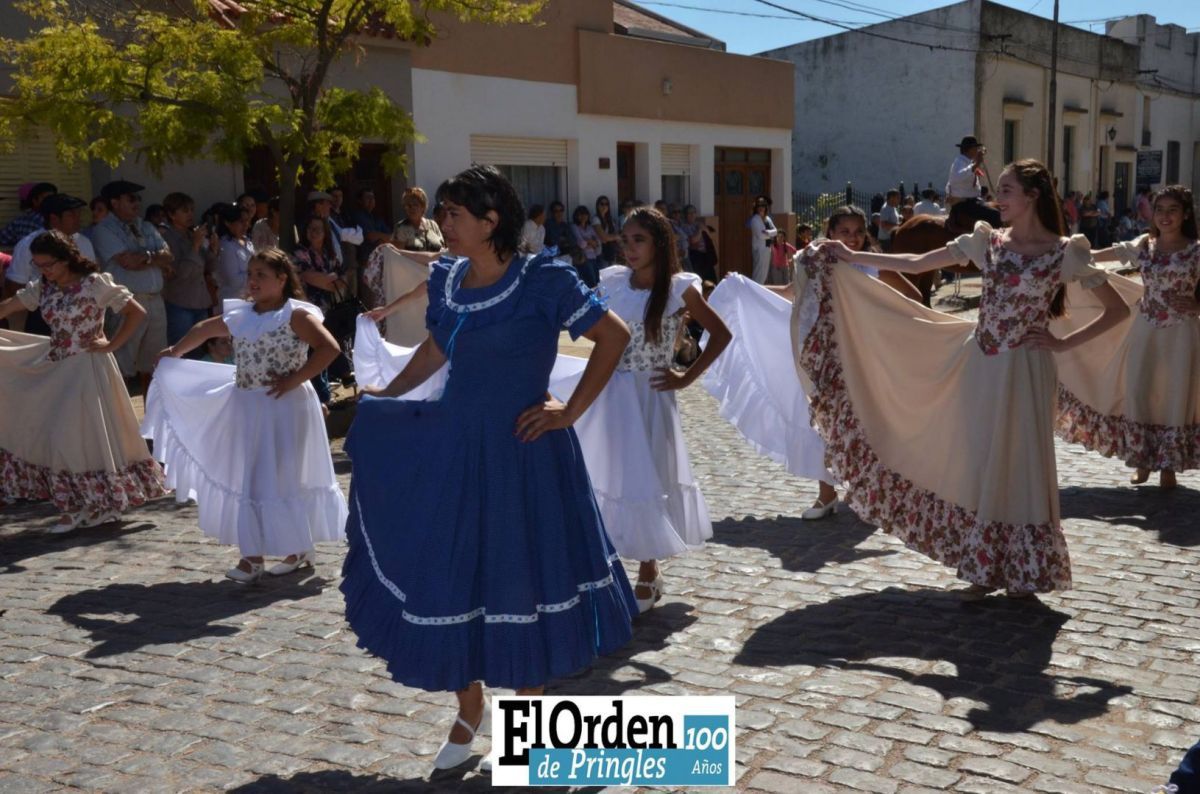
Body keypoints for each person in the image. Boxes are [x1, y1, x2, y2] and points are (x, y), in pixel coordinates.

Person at [339, 165, 636, 771]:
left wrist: (569, 411)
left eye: (453, 214)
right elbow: (437, 350)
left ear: (490, 220)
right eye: (443, 213)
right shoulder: (447, 278)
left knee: (526, 578)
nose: (442, 225)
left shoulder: (543, 278)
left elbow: (614, 336)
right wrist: (389, 396)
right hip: (457, 448)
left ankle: (531, 731)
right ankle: (469, 703)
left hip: (527, 454)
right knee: (454, 573)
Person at [806, 159, 1129, 597]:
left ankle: (1024, 570)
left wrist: (1061, 344)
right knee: (980, 461)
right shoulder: (986, 241)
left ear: (1033, 195)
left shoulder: (1065, 251)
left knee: (1021, 463)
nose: (999, 199)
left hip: (1027, 370)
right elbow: (919, 262)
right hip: (981, 363)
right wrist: (850, 255)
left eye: (1007, 190)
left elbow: (1118, 310)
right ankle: (983, 566)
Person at [551, 207, 731, 613]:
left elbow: (720, 334)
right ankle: (605, 562)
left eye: (639, 240)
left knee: (646, 472)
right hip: (609, 390)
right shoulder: (613, 282)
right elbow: (588, 327)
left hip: (649, 393)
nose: (629, 249)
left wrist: (686, 377)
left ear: (660, 243)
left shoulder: (678, 288)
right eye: (626, 239)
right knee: (606, 470)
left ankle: (648, 568)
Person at [143, 248, 347, 582]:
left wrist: (296, 378)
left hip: (286, 406)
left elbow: (330, 349)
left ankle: (283, 551)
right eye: (250, 274)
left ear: (282, 279)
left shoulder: (296, 314)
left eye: (261, 275)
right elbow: (206, 328)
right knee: (251, 476)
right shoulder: (242, 314)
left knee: (282, 475)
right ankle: (259, 554)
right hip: (249, 405)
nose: (252, 281)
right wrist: (175, 351)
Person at [703, 205, 887, 523]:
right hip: (818, 356)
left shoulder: (867, 265)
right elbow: (792, 294)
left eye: (858, 232)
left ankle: (863, 490)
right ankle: (826, 493)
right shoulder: (809, 261)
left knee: (859, 423)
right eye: (845, 232)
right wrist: (745, 288)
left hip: (856, 355)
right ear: (830, 232)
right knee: (822, 423)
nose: (853, 238)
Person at [0, 231, 165, 531]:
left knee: (74, 435)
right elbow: (12, 304)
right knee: (70, 436)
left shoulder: (94, 283)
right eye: (39, 266)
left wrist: (111, 345)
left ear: (65, 259)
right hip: (57, 366)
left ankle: (82, 506)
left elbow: (136, 313)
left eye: (48, 264)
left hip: (87, 368)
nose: (44, 270)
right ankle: (89, 504)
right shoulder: (45, 287)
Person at [1055, 185, 1200, 489]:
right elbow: (1104, 255)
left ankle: (1168, 468)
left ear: (1186, 214)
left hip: (1183, 334)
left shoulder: (1195, 250)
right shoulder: (1145, 246)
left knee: (1175, 394)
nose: (1165, 216)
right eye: (1159, 210)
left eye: (1173, 210)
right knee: (1139, 389)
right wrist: (1072, 253)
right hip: (1145, 330)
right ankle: (1143, 461)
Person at [91, 179, 174, 395]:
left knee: (155, 364)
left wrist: (145, 258)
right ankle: (120, 421)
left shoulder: (145, 226)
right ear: (115, 202)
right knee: (122, 364)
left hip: (155, 300)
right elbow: (127, 262)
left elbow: (168, 256)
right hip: (128, 303)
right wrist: (153, 258)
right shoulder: (103, 230)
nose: (137, 203)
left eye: (138, 198)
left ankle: (151, 419)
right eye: (131, 198)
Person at [5, 194, 97, 334]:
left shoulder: (83, 242)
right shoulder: (29, 244)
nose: (78, 219)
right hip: (42, 314)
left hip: (80, 315)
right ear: (54, 218)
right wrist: (40, 300)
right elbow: (15, 284)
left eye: (79, 214)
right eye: (71, 215)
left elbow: (91, 276)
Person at [293, 216, 347, 407]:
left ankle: (324, 395)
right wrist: (329, 279)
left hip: (328, 310)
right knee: (311, 352)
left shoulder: (329, 254)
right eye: (310, 228)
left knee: (325, 349)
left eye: (318, 229)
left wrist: (327, 279)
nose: (314, 232)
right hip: (308, 311)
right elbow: (309, 277)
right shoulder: (300, 253)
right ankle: (319, 396)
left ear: (325, 233)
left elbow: (341, 282)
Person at [159, 192, 214, 347]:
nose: (190, 214)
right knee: (182, 349)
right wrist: (195, 246)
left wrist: (213, 250)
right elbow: (180, 273)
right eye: (185, 211)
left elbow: (210, 267)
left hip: (200, 301)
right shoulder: (167, 238)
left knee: (201, 349)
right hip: (180, 303)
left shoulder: (192, 234)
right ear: (171, 214)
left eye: (191, 210)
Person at [214, 203, 255, 301]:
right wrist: (258, 274)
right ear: (228, 223)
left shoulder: (248, 242)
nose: (246, 225)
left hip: (249, 299)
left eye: (247, 221)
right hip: (231, 301)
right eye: (241, 221)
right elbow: (234, 281)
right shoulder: (226, 246)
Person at [0, 181, 56, 246]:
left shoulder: (19, 221)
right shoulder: (45, 220)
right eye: (45, 198)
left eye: (52, 198)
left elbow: (3, 238)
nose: (49, 201)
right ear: (34, 201)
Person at [392, 187, 444, 254]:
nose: (411, 208)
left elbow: (443, 249)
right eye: (408, 205)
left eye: (415, 204)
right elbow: (398, 255)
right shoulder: (401, 227)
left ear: (423, 206)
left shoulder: (433, 225)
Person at [945, 135, 985, 207]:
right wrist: (976, 164)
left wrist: (976, 161)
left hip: (971, 201)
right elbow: (959, 176)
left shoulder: (967, 162)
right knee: (995, 215)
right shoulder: (959, 162)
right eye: (976, 148)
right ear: (970, 149)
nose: (977, 150)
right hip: (965, 202)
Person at [571, 204, 602, 288]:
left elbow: (598, 242)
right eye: (580, 214)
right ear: (576, 216)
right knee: (590, 283)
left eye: (585, 214)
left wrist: (588, 241)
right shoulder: (574, 227)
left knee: (597, 281)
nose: (583, 216)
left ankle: (597, 299)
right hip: (583, 258)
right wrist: (591, 241)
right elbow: (581, 244)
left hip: (593, 257)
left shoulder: (590, 228)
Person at [748, 196, 778, 284]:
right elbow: (760, 236)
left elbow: (776, 231)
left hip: (767, 248)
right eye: (759, 206)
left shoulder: (768, 219)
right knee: (758, 273)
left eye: (763, 205)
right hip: (759, 249)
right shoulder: (754, 220)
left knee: (764, 274)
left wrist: (767, 233)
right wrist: (771, 234)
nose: (761, 208)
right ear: (756, 208)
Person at [591, 195, 621, 266]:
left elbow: (615, 235)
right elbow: (604, 238)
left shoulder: (611, 220)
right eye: (602, 204)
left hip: (612, 251)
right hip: (601, 252)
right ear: (597, 206)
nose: (604, 206)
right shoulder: (595, 219)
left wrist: (612, 237)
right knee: (603, 275)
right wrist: (615, 237)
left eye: (606, 204)